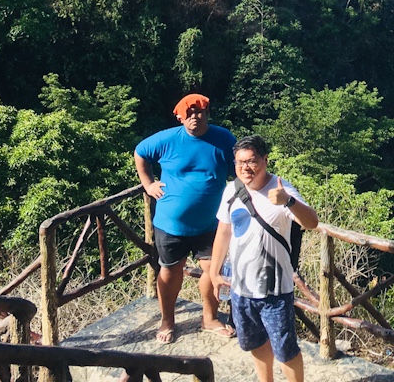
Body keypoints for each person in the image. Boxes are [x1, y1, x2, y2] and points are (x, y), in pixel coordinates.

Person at [211, 135, 319, 382]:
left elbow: (312, 223)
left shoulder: (281, 189)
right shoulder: (232, 190)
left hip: (275, 289)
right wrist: (214, 273)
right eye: (240, 163)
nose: (245, 168)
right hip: (240, 287)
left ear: (264, 161)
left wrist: (289, 202)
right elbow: (224, 232)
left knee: (285, 350)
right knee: (255, 343)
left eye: (251, 161)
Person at [134, 93, 236, 343]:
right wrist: (147, 183)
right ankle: (167, 321)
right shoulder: (167, 139)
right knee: (170, 271)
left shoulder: (223, 139)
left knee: (214, 270)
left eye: (200, 112)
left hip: (211, 223)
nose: (195, 117)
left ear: (208, 114)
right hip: (171, 224)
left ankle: (210, 318)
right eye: (189, 113)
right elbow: (140, 153)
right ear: (179, 116)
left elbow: (240, 168)